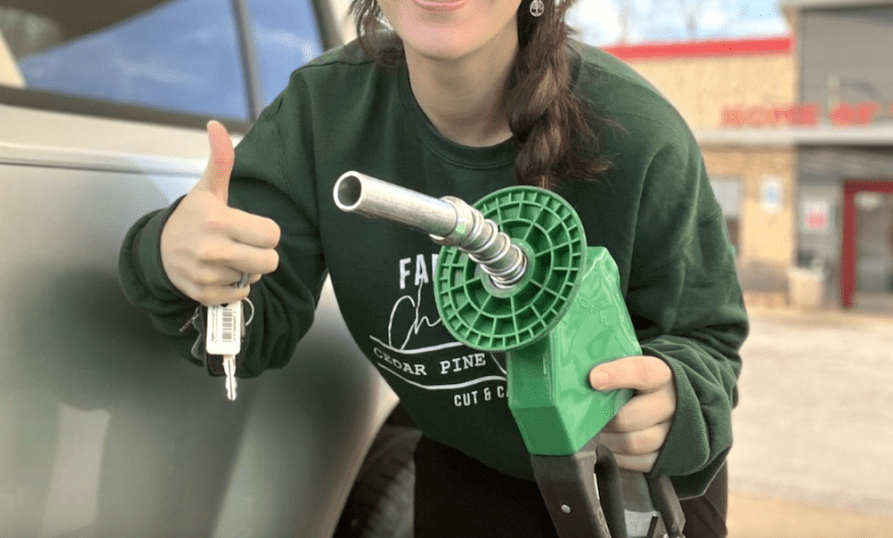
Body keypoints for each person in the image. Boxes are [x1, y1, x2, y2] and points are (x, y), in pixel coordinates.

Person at [118, 0, 748, 535]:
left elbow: (708, 341)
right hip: (467, 474)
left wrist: (673, 403)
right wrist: (169, 256)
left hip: (634, 498)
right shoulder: (322, 113)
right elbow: (250, 333)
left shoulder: (638, 132)